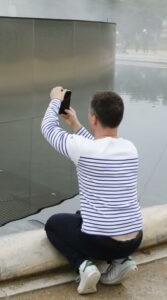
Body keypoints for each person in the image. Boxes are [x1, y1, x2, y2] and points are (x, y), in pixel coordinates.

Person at [41, 87, 143, 294]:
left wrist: (55, 101)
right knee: (83, 215)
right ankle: (122, 261)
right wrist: (76, 125)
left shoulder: (83, 149)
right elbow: (99, 146)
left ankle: (84, 267)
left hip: (101, 242)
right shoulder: (130, 149)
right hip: (135, 239)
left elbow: (48, 128)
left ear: (94, 119)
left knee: (53, 225)